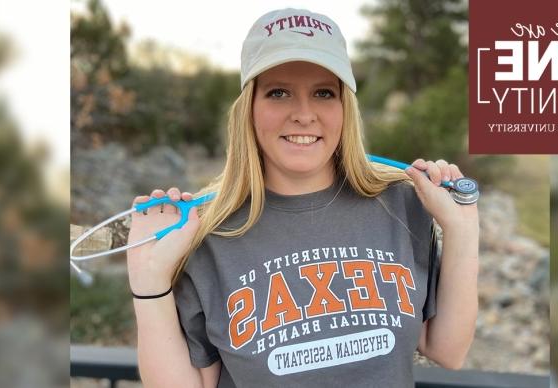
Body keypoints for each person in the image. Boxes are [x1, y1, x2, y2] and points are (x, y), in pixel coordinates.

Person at [126, 8, 478, 388]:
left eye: (324, 93)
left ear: (345, 108)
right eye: (279, 93)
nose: (304, 115)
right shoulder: (206, 233)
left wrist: (461, 228)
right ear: (250, 109)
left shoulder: (402, 205)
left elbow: (447, 350)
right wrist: (148, 278)